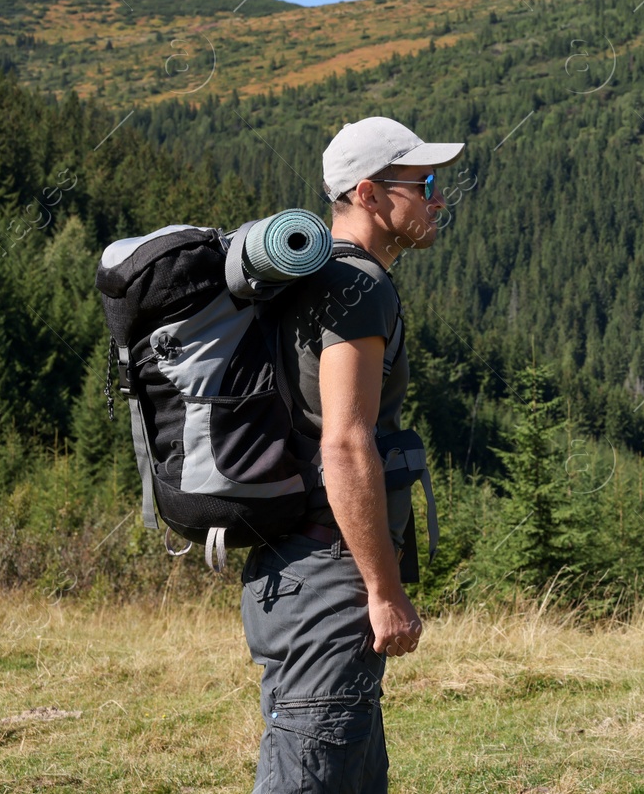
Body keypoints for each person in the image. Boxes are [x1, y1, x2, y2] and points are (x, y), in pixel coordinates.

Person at [240, 116, 463, 793]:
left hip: (294, 569)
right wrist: (383, 589)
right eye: (422, 182)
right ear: (368, 193)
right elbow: (344, 442)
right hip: (330, 584)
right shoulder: (357, 286)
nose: (436, 197)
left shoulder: (314, 278)